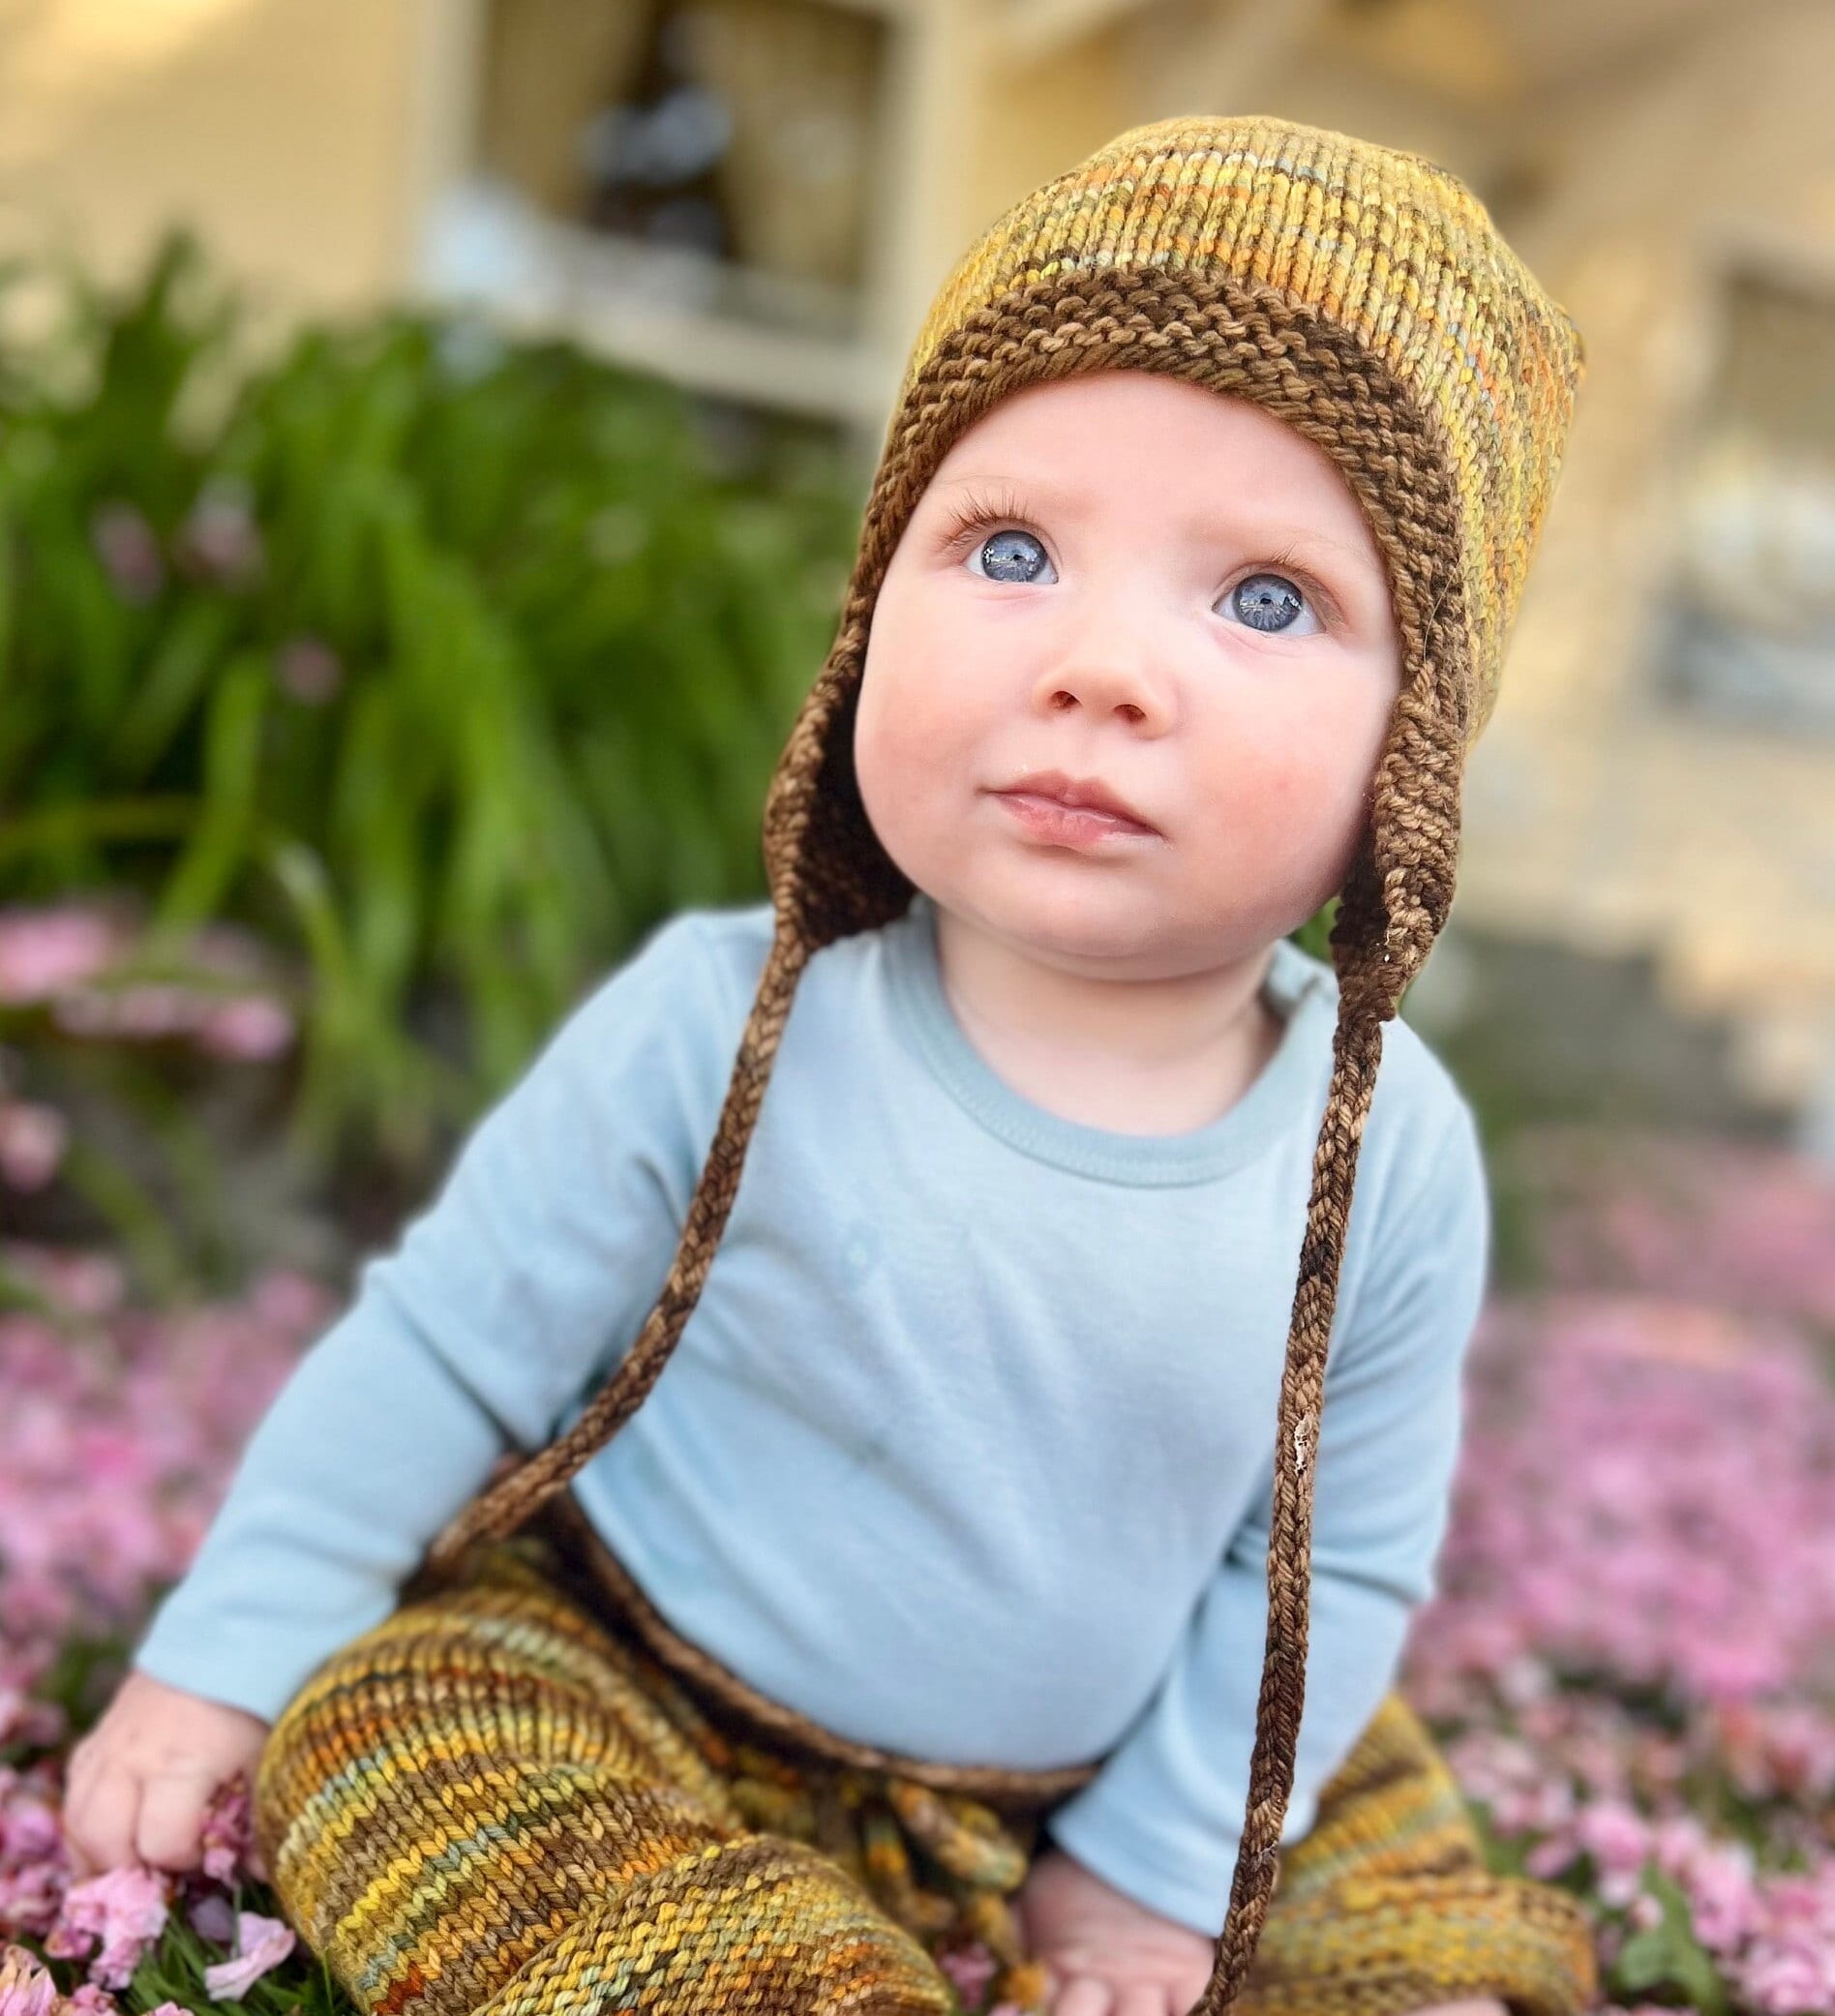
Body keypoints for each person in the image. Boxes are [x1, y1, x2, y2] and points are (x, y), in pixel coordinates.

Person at [60, 114, 1597, 2016]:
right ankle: (753, 1978)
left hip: (1112, 1750)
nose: (1104, 664)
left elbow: (1333, 1562)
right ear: (875, 606)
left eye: (1265, 598)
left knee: (1337, 1776)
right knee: (399, 1719)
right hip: (657, 1679)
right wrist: (235, 1646)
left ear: (1412, 755)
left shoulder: (1394, 1163)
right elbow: (448, 1341)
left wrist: (1146, 1869)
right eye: (1011, 548)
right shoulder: (727, 1021)